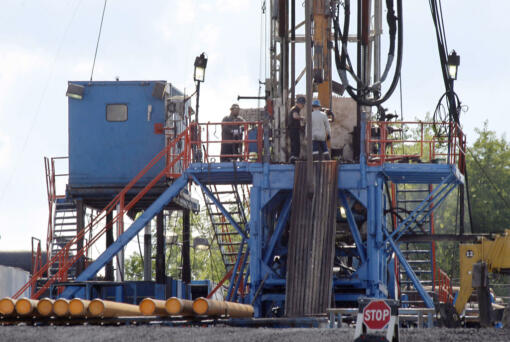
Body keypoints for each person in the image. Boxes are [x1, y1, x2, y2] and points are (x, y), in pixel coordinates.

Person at [288, 96, 306, 163]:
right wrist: (302, 118)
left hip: (294, 129)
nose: (303, 106)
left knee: (296, 144)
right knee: (295, 144)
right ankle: (294, 158)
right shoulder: (295, 109)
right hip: (293, 129)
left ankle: (295, 157)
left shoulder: (295, 109)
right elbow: (295, 116)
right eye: (303, 104)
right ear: (299, 103)